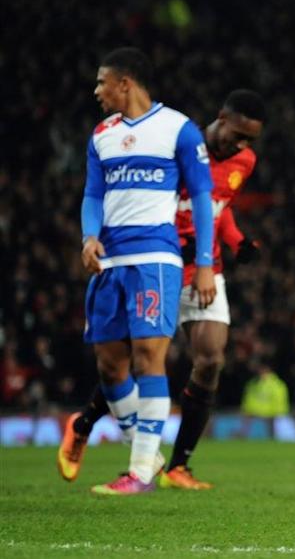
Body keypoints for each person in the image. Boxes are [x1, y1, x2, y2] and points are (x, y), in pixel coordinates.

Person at [57, 89, 266, 491]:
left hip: (205, 272)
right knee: (136, 359)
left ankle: (178, 466)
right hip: (160, 266)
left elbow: (220, 207)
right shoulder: (177, 145)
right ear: (221, 117)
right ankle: (84, 424)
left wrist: (237, 241)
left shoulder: (245, 161)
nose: (242, 146)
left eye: (250, 140)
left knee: (211, 359)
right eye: (238, 135)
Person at [73, 47, 216, 495]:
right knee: (109, 365)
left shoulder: (179, 129)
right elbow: (93, 195)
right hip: (108, 259)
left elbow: (203, 199)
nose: (96, 91)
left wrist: (205, 264)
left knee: (148, 357)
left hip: (155, 257)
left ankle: (138, 472)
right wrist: (89, 236)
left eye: (102, 82)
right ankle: (146, 453)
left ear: (125, 83)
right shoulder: (102, 135)